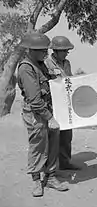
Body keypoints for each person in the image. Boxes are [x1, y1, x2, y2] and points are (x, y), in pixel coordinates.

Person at [17, 32, 69, 197]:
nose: (45, 53)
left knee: (53, 144)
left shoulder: (42, 65)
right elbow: (34, 100)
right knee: (38, 146)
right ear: (31, 50)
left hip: (49, 110)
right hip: (36, 113)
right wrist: (50, 118)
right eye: (42, 50)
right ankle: (36, 181)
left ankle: (51, 176)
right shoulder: (26, 68)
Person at [45, 36, 81, 170]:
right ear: (56, 50)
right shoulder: (47, 63)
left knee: (66, 136)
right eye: (64, 50)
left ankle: (65, 162)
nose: (66, 53)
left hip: (66, 105)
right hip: (53, 106)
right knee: (53, 137)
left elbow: (69, 80)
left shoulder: (67, 63)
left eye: (67, 51)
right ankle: (50, 167)